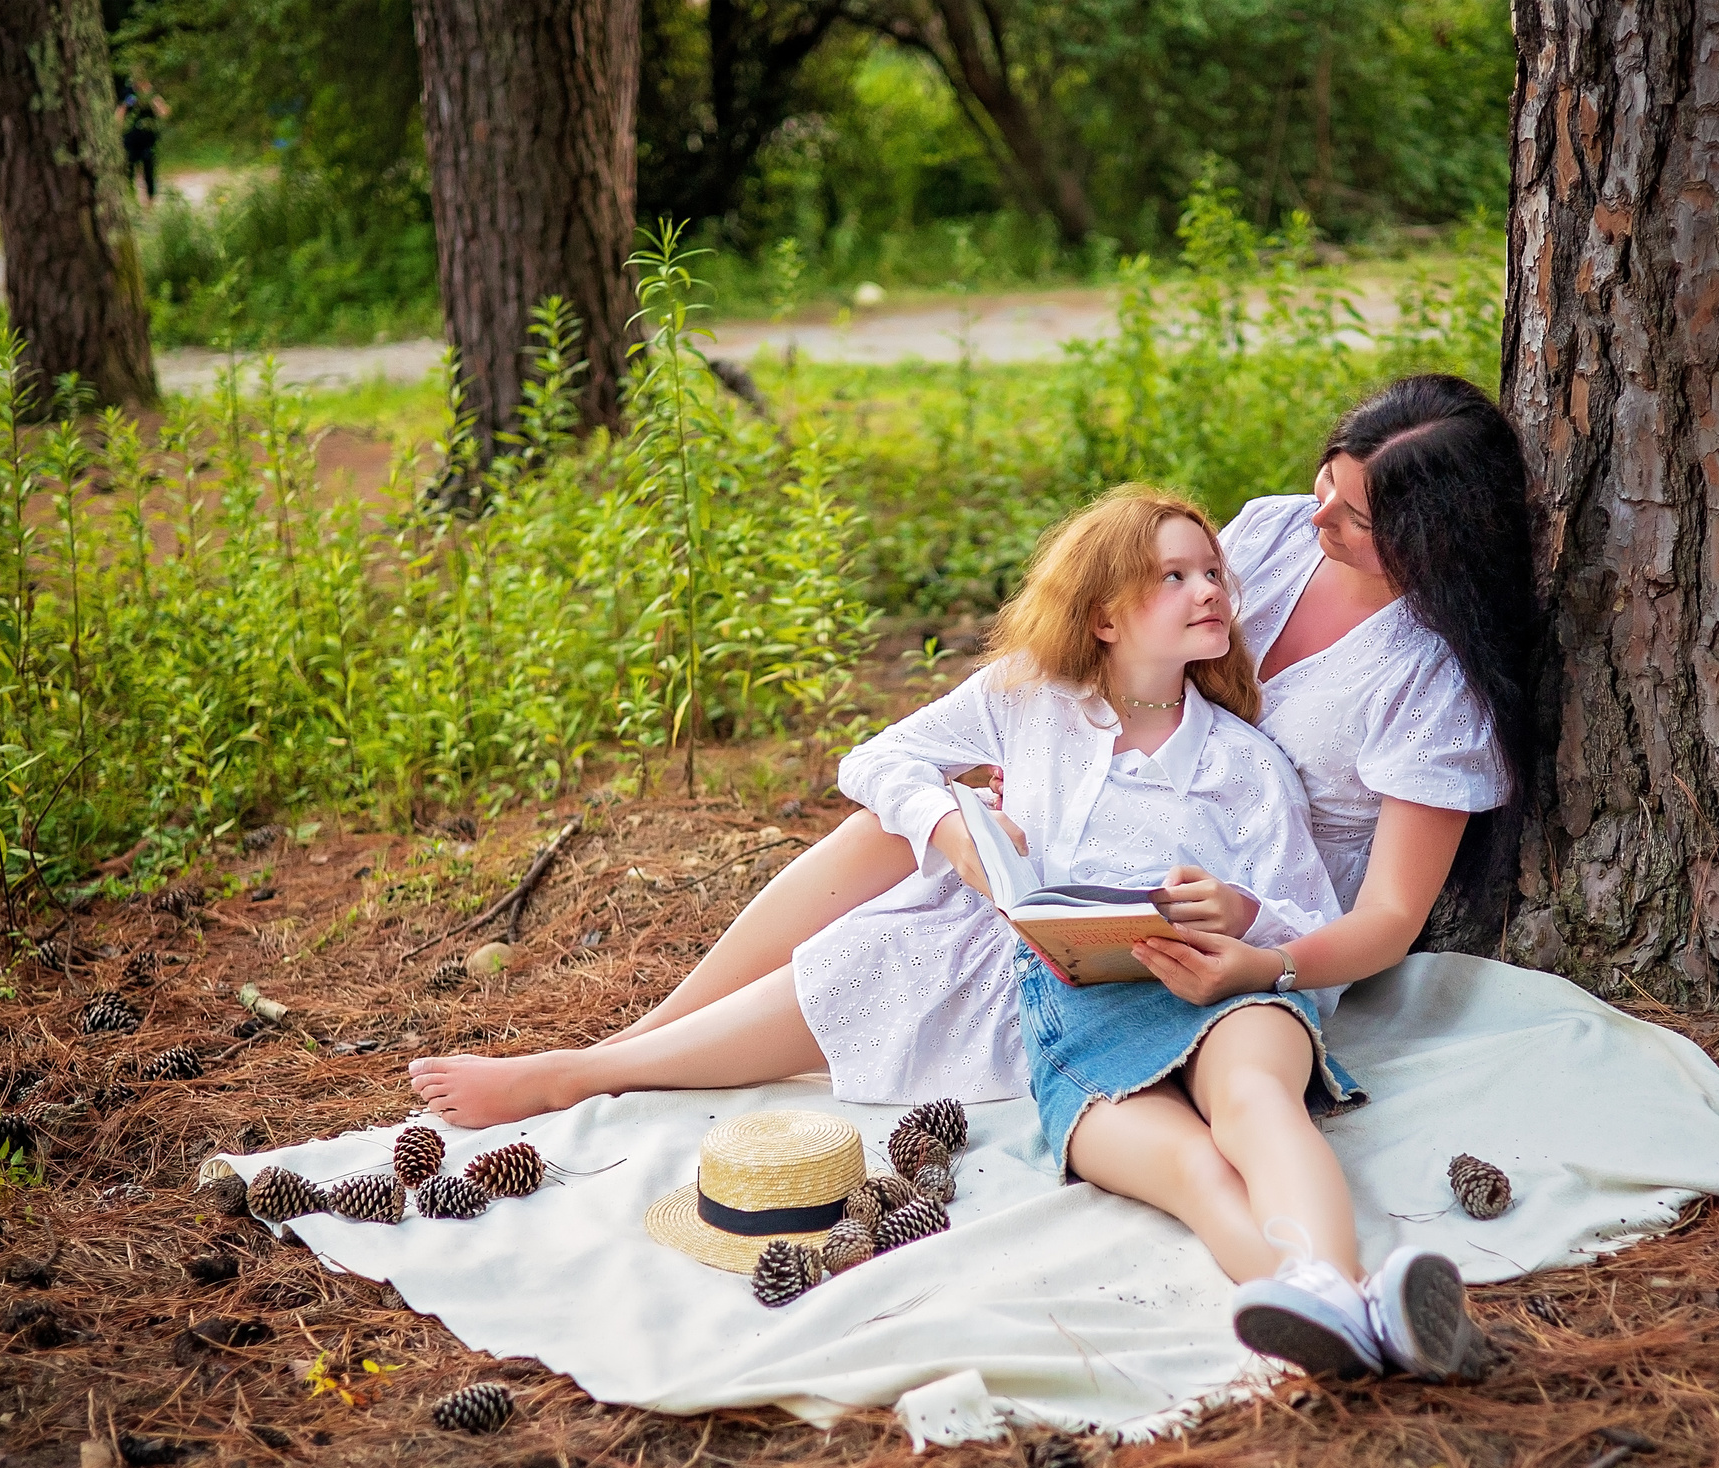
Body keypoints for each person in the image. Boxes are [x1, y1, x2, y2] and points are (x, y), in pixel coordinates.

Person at [410, 486, 1485, 1378]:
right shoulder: (1028, 701)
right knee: (1190, 1170)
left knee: (1250, 1107)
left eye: (1212, 573)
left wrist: (1249, 924)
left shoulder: (1246, 764)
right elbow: (876, 762)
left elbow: (1308, 918)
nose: (1208, 589)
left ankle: (1330, 1290)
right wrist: (952, 831)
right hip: (1069, 1014)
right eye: (1172, 576)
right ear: (1103, 614)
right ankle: (1346, 1318)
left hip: (1226, 988)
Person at [578, 371, 1540, 1069]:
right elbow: (1134, 650)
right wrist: (1026, 758)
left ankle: (629, 1064)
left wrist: (1265, 961)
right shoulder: (1278, 531)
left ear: (1431, 538)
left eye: (1350, 516)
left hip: (1233, 905)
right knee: (905, 819)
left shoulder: (1432, 682)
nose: (1315, 517)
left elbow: (1384, 919)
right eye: (1324, 482)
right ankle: (651, 1029)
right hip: (1125, 802)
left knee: (932, 937)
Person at [120, 73, 171, 205]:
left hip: (148, 139)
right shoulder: (128, 93)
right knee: (129, 168)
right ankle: (130, 199)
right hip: (130, 138)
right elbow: (119, 114)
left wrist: (150, 95)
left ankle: (150, 201)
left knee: (149, 168)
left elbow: (164, 112)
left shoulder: (151, 94)